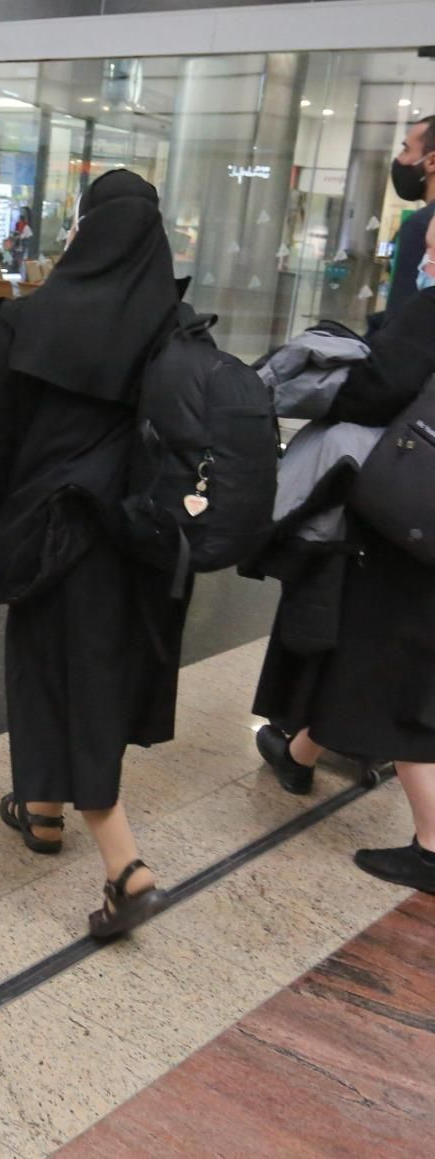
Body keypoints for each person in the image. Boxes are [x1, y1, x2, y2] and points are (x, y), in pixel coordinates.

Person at [0, 170, 184, 939]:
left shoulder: (25, 324)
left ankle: (126, 866)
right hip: (132, 536)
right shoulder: (172, 326)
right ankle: (42, 811)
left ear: (85, 230)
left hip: (46, 526)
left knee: (50, 676)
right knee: (81, 674)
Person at [253, 214, 435, 894]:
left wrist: (329, 380)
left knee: (394, 672)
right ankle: (297, 750)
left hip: (406, 520)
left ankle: (432, 843)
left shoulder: (433, 309)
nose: (422, 251)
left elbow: (381, 386)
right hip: (421, 519)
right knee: (360, 647)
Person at [385, 115, 435, 322]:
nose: (400, 159)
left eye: (406, 150)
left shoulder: (421, 226)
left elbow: (402, 318)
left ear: (431, 161)